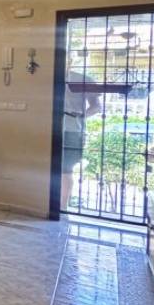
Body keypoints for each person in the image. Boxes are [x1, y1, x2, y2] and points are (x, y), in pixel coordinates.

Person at [61, 69, 102, 207]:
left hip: (73, 130)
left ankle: (62, 207)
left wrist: (80, 116)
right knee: (46, 167)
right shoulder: (46, 76)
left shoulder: (84, 78)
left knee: (66, 169)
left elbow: (96, 106)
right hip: (47, 128)